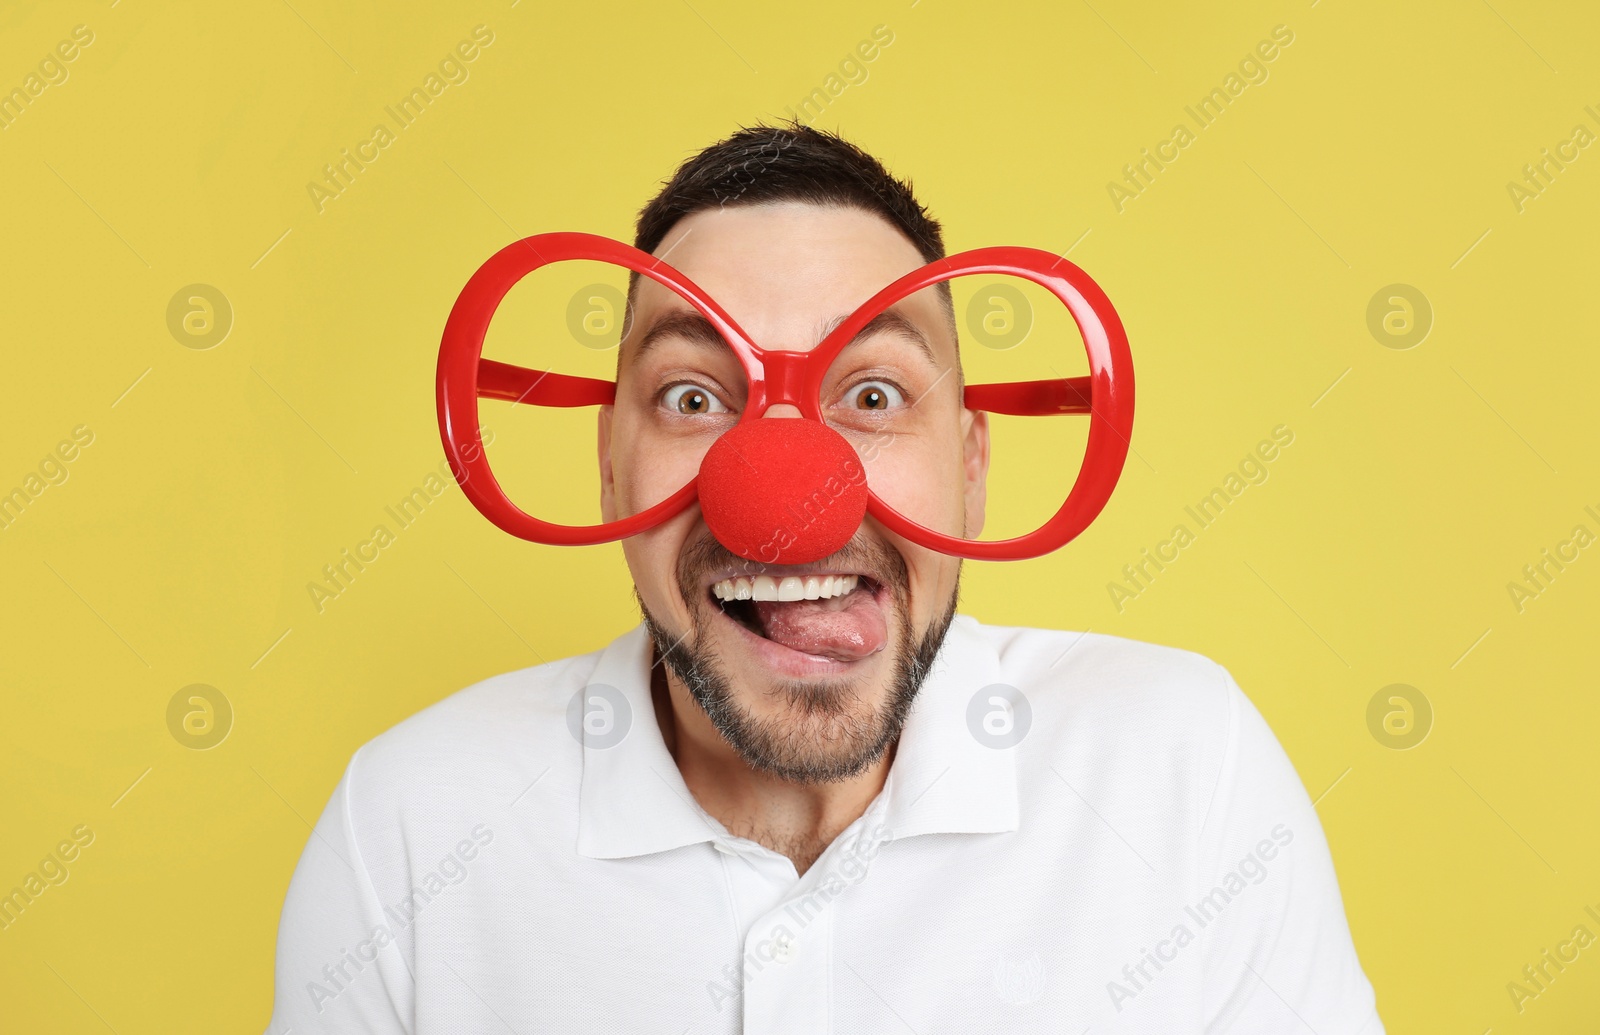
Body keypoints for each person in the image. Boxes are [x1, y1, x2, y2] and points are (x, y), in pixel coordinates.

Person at [267, 122, 1383, 1033]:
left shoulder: (1184, 774)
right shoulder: (410, 824)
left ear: (973, 469)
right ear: (609, 468)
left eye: (876, 395)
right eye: (694, 400)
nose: (792, 493)